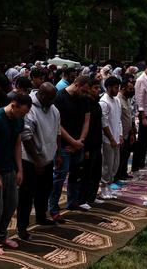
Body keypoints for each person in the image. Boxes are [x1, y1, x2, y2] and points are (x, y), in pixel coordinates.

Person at [0, 93, 32, 255]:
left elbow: (17, 145)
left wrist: (20, 169)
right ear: (13, 105)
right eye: (22, 112)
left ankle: (2, 236)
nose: (23, 116)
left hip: (9, 167)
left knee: (11, 204)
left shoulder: (18, 120)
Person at [17, 83, 60, 240]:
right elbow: (26, 137)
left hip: (47, 159)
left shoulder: (53, 109)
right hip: (30, 160)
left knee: (45, 191)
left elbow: (58, 131)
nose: (52, 102)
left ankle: (41, 217)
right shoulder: (30, 109)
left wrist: (58, 153)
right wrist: (37, 160)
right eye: (49, 99)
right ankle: (22, 228)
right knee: (26, 196)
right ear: (41, 95)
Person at [49, 76, 91, 222]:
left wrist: (81, 141)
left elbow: (87, 121)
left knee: (75, 174)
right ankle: (53, 208)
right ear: (77, 85)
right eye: (84, 91)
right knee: (60, 177)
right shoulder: (60, 97)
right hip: (64, 145)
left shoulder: (84, 99)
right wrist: (72, 142)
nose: (85, 94)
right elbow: (57, 124)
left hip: (79, 143)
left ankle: (72, 202)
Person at [80, 78, 104, 205]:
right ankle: (83, 199)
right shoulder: (85, 103)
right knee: (86, 174)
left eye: (99, 88)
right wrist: (86, 148)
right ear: (88, 89)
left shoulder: (97, 103)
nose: (98, 90)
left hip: (97, 143)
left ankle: (92, 197)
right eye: (95, 88)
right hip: (88, 144)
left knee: (96, 173)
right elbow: (85, 127)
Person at [99, 76, 123, 199]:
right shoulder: (104, 102)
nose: (117, 90)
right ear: (108, 87)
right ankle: (103, 187)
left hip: (116, 138)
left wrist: (120, 135)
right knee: (107, 165)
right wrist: (112, 139)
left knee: (115, 164)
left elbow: (118, 120)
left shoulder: (117, 100)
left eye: (118, 87)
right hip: (108, 139)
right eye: (115, 87)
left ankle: (109, 185)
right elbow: (104, 123)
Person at [115, 76, 136, 180]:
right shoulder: (118, 99)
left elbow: (130, 116)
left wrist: (132, 132)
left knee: (126, 155)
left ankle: (123, 173)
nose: (132, 91)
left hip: (128, 132)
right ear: (123, 88)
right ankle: (117, 175)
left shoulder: (127, 99)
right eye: (130, 89)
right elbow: (118, 119)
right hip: (121, 134)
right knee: (119, 156)